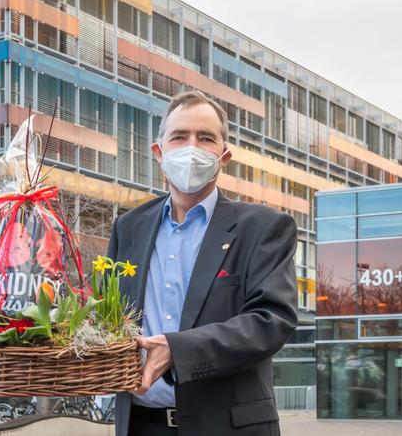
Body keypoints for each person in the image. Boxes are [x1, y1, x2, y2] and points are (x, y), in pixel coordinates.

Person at [108, 90, 298, 436]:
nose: (191, 147)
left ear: (223, 155)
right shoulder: (128, 227)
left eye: (205, 138)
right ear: (159, 152)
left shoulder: (264, 227)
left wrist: (177, 350)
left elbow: (272, 321)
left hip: (226, 427)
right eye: (179, 136)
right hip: (139, 425)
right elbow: (110, 316)